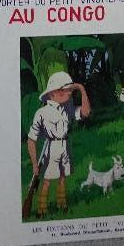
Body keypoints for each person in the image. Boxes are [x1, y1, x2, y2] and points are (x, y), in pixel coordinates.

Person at [27, 71, 91, 218]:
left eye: (69, 90)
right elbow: (31, 139)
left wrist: (81, 89)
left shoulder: (67, 108)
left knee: (63, 176)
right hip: (51, 148)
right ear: (53, 93)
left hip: (65, 146)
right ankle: (41, 209)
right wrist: (35, 164)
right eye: (65, 90)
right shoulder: (42, 112)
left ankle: (62, 204)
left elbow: (86, 113)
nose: (69, 93)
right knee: (47, 179)